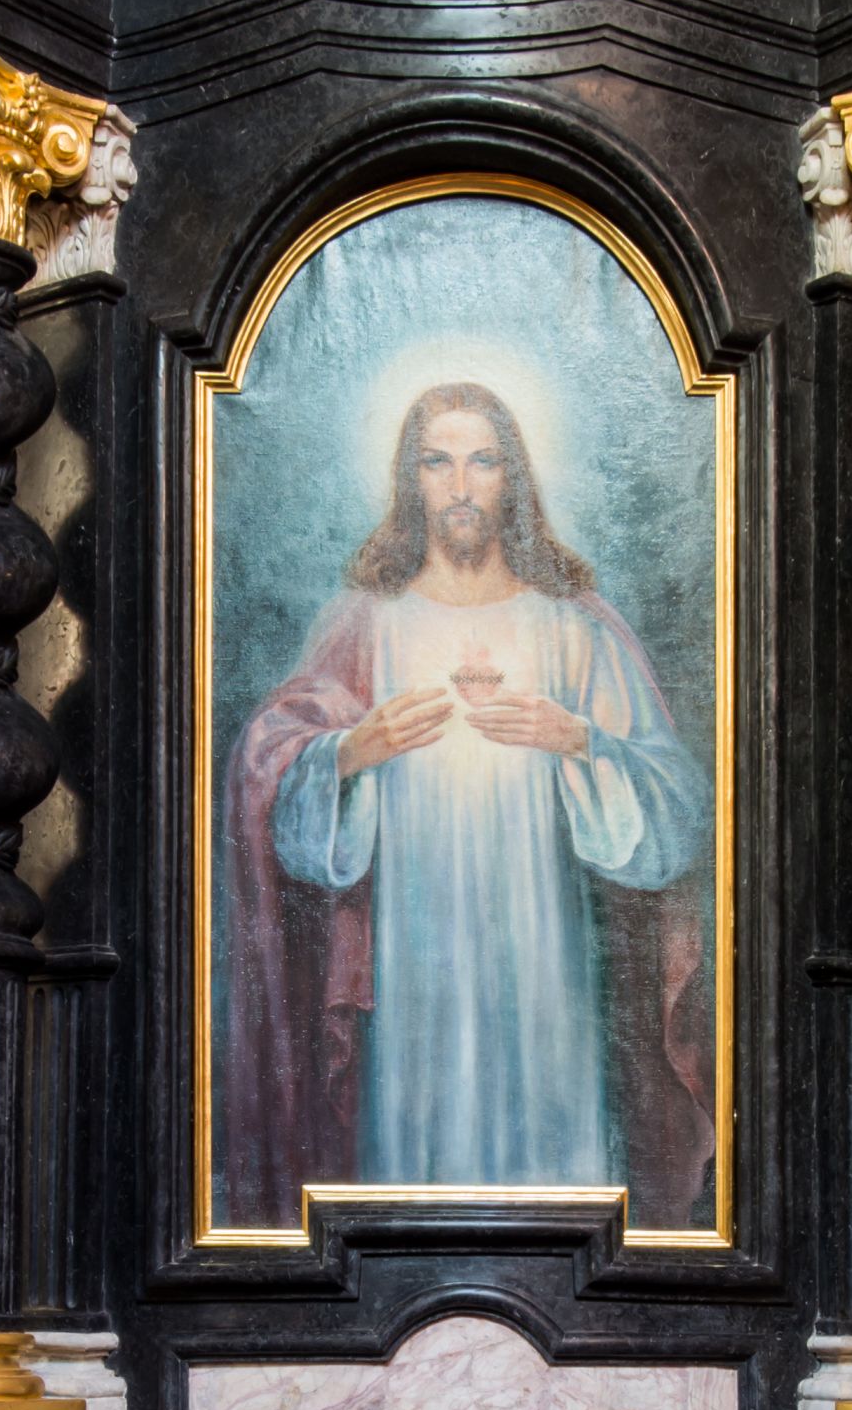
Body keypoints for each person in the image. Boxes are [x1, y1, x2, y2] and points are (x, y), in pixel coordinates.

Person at [222, 383, 713, 1221]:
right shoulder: (364, 623)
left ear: (510, 477)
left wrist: (580, 739)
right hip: (410, 957)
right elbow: (269, 778)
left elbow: (679, 812)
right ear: (409, 478)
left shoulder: (572, 627)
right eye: (437, 461)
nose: (459, 485)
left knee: (554, 1161)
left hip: (547, 955)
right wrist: (350, 751)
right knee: (412, 1154)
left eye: (482, 461)